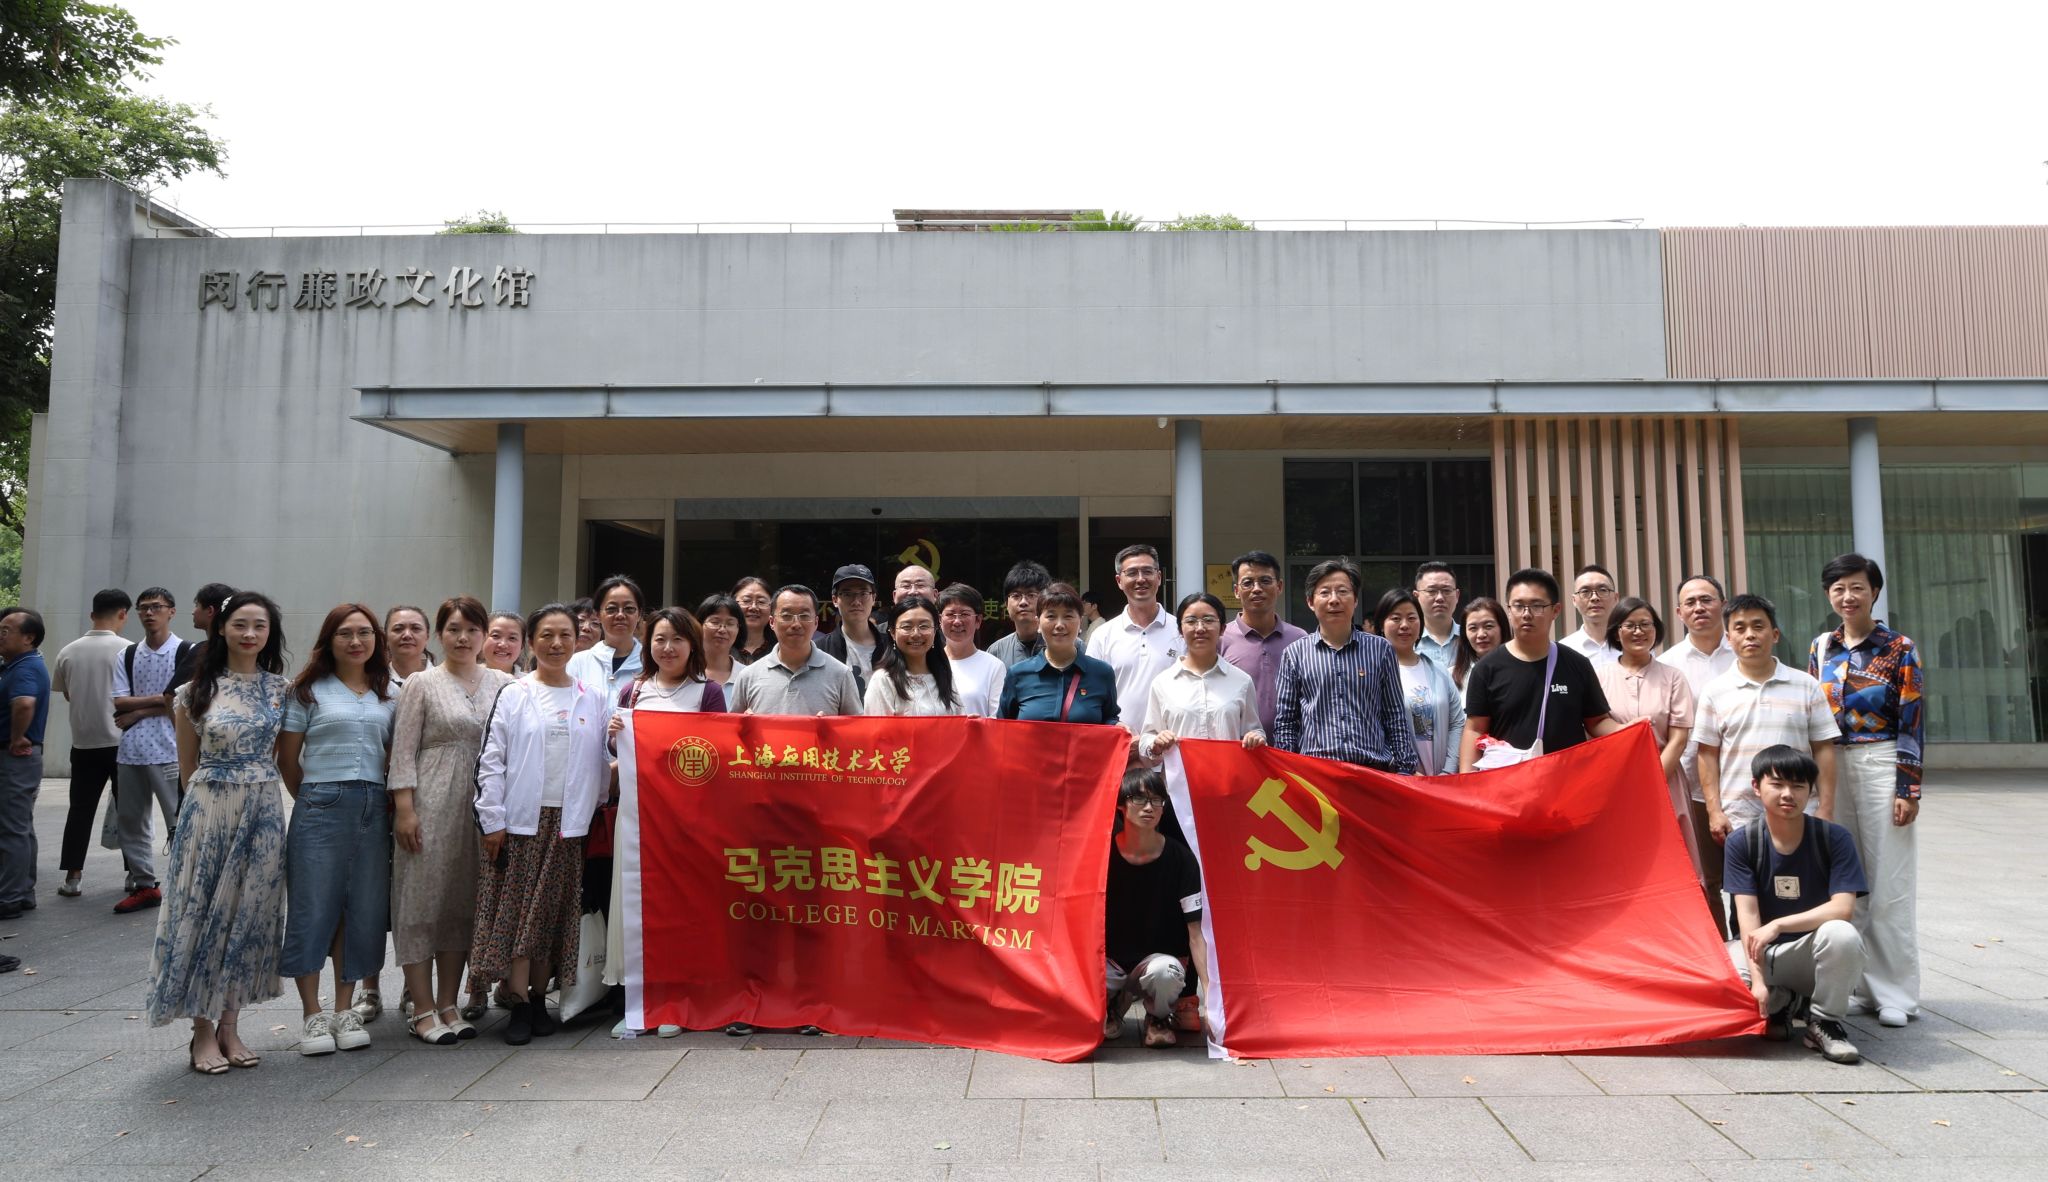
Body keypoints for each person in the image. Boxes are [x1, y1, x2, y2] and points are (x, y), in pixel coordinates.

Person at [145, 591, 289, 1074]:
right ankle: (201, 1030)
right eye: (241, 624)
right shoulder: (193, 692)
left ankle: (230, 1025)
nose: (250, 633)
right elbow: (187, 768)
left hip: (264, 809)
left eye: (260, 626)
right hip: (209, 810)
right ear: (222, 627)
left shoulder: (281, 690)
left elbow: (283, 754)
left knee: (248, 915)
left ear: (270, 634)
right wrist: (203, 815)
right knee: (202, 912)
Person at [474, 603, 611, 1046]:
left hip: (570, 825)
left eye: (565, 635)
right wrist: (492, 820)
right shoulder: (515, 693)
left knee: (552, 916)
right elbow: (491, 759)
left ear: (577, 640)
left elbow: (602, 759)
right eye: (546, 635)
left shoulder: (593, 697)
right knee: (518, 915)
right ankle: (517, 999)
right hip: (521, 824)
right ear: (531, 642)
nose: (556, 644)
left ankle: (538, 995)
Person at [388, 596, 513, 1046]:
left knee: (463, 902)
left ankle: (448, 1003)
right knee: (422, 902)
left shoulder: (505, 682)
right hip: (432, 801)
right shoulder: (421, 683)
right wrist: (405, 809)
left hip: (484, 807)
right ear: (439, 634)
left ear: (484, 636)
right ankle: (421, 1009)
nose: (463, 638)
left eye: (473, 630)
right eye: (454, 629)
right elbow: (403, 751)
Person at [1808, 553, 1923, 1028]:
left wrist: (1908, 787)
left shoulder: (1899, 648)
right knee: (1845, 878)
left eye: (1857, 587)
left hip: (1881, 760)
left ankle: (1896, 992)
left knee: (1889, 880)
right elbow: (1813, 713)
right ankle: (1855, 984)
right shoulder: (1822, 647)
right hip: (1833, 764)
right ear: (1828, 595)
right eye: (1838, 588)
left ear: (1874, 592)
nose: (1847, 596)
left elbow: (1913, 718)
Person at [277, 603, 395, 1056]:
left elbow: (392, 754)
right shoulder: (306, 691)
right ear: (329, 640)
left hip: (374, 805)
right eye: (345, 633)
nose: (356, 641)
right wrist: (314, 798)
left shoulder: (388, 693)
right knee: (313, 906)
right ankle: (312, 1013)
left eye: (365, 632)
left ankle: (345, 1007)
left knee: (361, 907)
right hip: (321, 802)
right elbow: (288, 760)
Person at [603, 606, 725, 1037]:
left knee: (680, 907)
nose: (668, 647)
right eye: (659, 639)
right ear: (648, 644)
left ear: (692, 645)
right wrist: (615, 734)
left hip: (687, 822)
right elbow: (619, 753)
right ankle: (639, 1002)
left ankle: (676, 999)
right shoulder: (632, 692)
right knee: (637, 905)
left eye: (677, 639)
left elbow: (716, 753)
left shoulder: (708, 692)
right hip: (638, 818)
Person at [1724, 745, 1869, 1065]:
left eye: (1798, 786)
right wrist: (1758, 983)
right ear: (1756, 786)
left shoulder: (1835, 838)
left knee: (1843, 934)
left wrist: (1778, 925)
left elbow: (1842, 909)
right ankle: (1781, 1000)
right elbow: (1747, 917)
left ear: (1810, 790)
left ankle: (1824, 1022)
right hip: (1761, 954)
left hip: (1813, 957)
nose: (1787, 794)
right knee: (1724, 983)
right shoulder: (1742, 842)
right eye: (1777, 784)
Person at [1695, 593, 1841, 845]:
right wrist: (1714, 811)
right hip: (1739, 817)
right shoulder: (1714, 691)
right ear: (1729, 638)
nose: (1749, 635)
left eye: (1758, 626)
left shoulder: (1806, 685)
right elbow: (1707, 755)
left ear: (1774, 635)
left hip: (1800, 812)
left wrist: (1825, 808)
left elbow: (1823, 749)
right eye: (1740, 628)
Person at [1460, 568, 1618, 772]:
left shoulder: (1577, 664)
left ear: (1556, 610)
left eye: (1537, 606)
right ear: (1509, 611)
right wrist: (1467, 778)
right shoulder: (1487, 669)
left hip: (1567, 778)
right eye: (1519, 606)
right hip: (1508, 781)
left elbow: (1597, 721)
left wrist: (1628, 728)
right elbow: (1475, 729)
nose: (1527, 614)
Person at [1272, 560, 1419, 773]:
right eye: (1325, 593)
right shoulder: (1294, 654)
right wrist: (1287, 771)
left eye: (1342, 591)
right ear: (1310, 602)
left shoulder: (1381, 649)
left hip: (1372, 773)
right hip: (1316, 775)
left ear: (1355, 600)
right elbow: (1286, 721)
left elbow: (1394, 714)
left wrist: (1405, 769)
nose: (1334, 600)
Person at [1103, 769, 1207, 1048]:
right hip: (1108, 962)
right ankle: (1112, 1005)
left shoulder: (1183, 860)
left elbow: (1196, 934)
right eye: (1139, 799)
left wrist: (1211, 996)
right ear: (1121, 806)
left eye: (1156, 800)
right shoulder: (1101, 855)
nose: (1149, 807)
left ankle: (1158, 1017)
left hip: (1157, 962)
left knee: (1166, 973)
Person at [1659, 574, 1737, 937]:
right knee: (1707, 880)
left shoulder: (1744, 652)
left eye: (1706, 599)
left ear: (1723, 604)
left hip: (1744, 782)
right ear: (1679, 613)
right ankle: (1720, 951)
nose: (1699, 608)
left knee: (1752, 876)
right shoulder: (1668, 665)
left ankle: (1754, 949)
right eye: (1690, 602)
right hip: (1692, 789)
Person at [1597, 597, 1700, 869]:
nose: (1638, 631)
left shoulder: (1673, 677)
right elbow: (1595, 727)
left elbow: (1678, 739)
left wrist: (1651, 781)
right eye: (1630, 625)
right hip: (1615, 782)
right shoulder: (1599, 677)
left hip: (1665, 778)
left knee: (1672, 860)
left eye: (1645, 624)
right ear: (1616, 632)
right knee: (1622, 859)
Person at [107, 588, 192, 915]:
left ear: (171, 611)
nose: (149, 613)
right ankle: (144, 884)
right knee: (131, 820)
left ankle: (187, 884)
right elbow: (119, 701)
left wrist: (139, 710)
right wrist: (162, 700)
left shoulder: (186, 652)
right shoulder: (128, 655)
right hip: (131, 749)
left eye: (156, 607)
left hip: (172, 748)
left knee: (178, 820)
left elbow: (184, 700)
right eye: (143, 608)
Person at [51, 589, 131, 904]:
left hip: (83, 743)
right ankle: (135, 873)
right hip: (122, 743)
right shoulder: (128, 650)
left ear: (92, 614)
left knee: (80, 810)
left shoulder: (68, 652)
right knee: (129, 811)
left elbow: (68, 694)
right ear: (123, 614)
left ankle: (73, 878)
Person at [1138, 592, 1266, 766]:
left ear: (1222, 629)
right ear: (1180, 630)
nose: (1200, 628)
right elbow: (1147, 737)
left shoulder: (1242, 681)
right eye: (1191, 621)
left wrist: (1255, 737)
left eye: (1208, 620)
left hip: (1228, 778)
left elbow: (1255, 731)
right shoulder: (1163, 683)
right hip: (1180, 780)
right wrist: (1156, 742)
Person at [726, 585, 864, 716]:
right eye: (786, 616)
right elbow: (733, 729)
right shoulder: (748, 676)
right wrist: (746, 725)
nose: (796, 624)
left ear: (816, 622)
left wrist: (830, 727)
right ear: (772, 622)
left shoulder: (840, 674)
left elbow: (856, 728)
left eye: (804, 616)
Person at [998, 583, 1119, 725]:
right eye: (1051, 616)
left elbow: (1109, 720)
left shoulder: (1102, 673)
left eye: (1068, 616)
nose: (1060, 625)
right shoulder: (1017, 674)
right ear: (1038, 623)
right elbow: (1002, 728)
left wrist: (1118, 726)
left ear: (1080, 622)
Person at [1090, 545, 1182, 732]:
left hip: (1171, 742)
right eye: (1132, 573)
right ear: (1119, 581)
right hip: (1120, 742)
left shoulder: (1181, 631)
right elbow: (1091, 694)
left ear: (1159, 577)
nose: (1140, 579)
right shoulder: (1102, 635)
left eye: (1147, 571)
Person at [1374, 589, 1465, 776]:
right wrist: (1408, 771)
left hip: (1443, 780)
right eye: (1396, 618)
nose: (1404, 625)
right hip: (1399, 779)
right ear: (1382, 625)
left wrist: (1448, 772)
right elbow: (1372, 729)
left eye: (1411, 618)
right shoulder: (1373, 674)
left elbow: (1457, 723)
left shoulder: (1439, 670)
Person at [1220, 550, 1308, 738]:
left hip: (1290, 747)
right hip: (1238, 746)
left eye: (1265, 581)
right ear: (1236, 591)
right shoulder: (1221, 639)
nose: (1257, 589)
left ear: (1279, 586)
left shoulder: (1299, 639)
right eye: (1248, 583)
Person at [0, 609, 52, 920]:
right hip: (19, 757)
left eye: (6, 630)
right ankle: (22, 892)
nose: (1, 635)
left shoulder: (25, 667)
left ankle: (9, 898)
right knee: (20, 826)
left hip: (16, 757)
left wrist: (18, 736)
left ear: (28, 638)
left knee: (11, 829)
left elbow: (24, 703)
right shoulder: (16, 665)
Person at [864, 595, 965, 716]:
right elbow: (878, 727)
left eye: (924, 626)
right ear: (892, 632)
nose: (916, 634)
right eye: (907, 627)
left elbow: (958, 718)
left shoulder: (944, 674)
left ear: (935, 631)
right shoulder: (884, 680)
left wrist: (968, 722)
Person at [567, 575, 647, 709]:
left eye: (629, 609)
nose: (620, 615)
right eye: (611, 609)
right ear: (598, 615)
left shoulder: (651, 663)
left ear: (639, 614)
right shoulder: (576, 663)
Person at [989, 561, 1078, 667]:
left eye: (1031, 595)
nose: (1023, 602)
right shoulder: (996, 652)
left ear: (1045, 600)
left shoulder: (1074, 646)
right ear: (1006, 604)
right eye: (1016, 596)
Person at [937, 583, 1005, 717]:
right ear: (940, 620)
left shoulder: (994, 666)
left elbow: (998, 718)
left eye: (964, 614)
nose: (957, 621)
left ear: (978, 620)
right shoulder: (929, 662)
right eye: (950, 614)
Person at [817, 564, 891, 687]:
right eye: (847, 594)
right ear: (835, 600)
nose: (856, 601)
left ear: (873, 598)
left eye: (863, 593)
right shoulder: (819, 650)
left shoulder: (892, 646)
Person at [1561, 564, 1621, 668]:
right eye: (1585, 591)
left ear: (1616, 598)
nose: (1594, 598)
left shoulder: (1633, 645)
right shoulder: (1564, 650)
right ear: (1574, 600)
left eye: (1603, 590)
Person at [1413, 562, 1462, 675]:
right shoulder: (1408, 641)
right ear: (1416, 596)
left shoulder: (1471, 638)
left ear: (1457, 595)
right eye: (1431, 591)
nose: (1440, 598)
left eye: (1447, 591)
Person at [1451, 597, 1506, 692]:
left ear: (1502, 628)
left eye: (1488, 626)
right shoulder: (1451, 677)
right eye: (1473, 628)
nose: (1481, 635)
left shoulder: (1519, 670)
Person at [696, 593, 743, 692]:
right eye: (715, 622)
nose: (722, 630)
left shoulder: (748, 675)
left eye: (730, 623)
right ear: (699, 625)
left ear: (738, 629)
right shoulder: (683, 673)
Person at [386, 605, 434, 688]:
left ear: (427, 637)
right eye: (398, 629)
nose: (407, 635)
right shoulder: (372, 683)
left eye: (416, 628)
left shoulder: (445, 681)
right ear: (386, 637)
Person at [731, 577, 776, 665]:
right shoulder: (720, 646)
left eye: (761, 602)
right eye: (746, 601)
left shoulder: (780, 649)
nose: (753, 607)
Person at [483, 611, 526, 675]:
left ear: (522, 644)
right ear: (482, 638)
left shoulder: (528, 681)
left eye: (512, 638)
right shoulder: (468, 676)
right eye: (495, 636)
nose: (503, 644)